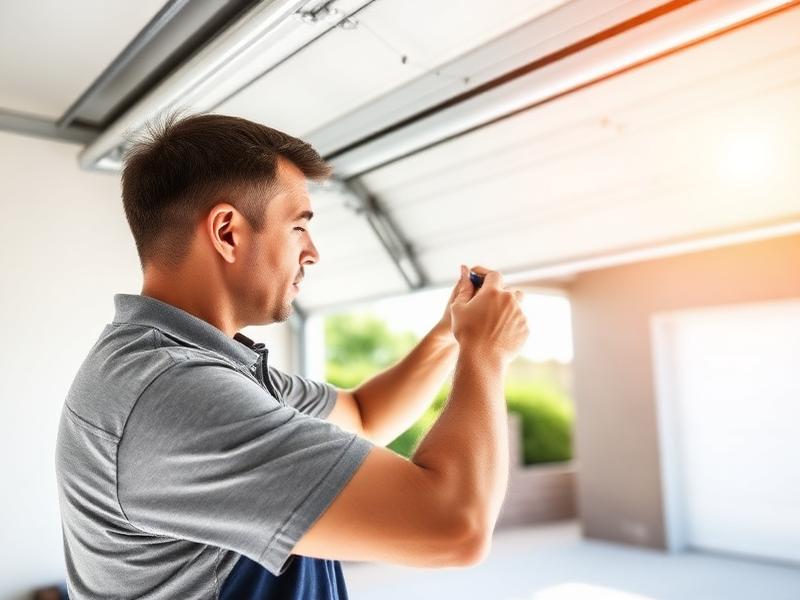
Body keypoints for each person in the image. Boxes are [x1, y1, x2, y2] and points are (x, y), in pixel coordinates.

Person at [54, 113, 529, 599]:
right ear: (227, 232)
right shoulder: (175, 393)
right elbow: (453, 526)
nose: (313, 252)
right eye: (299, 227)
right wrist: (485, 355)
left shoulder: (194, 365)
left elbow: (363, 416)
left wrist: (451, 333)